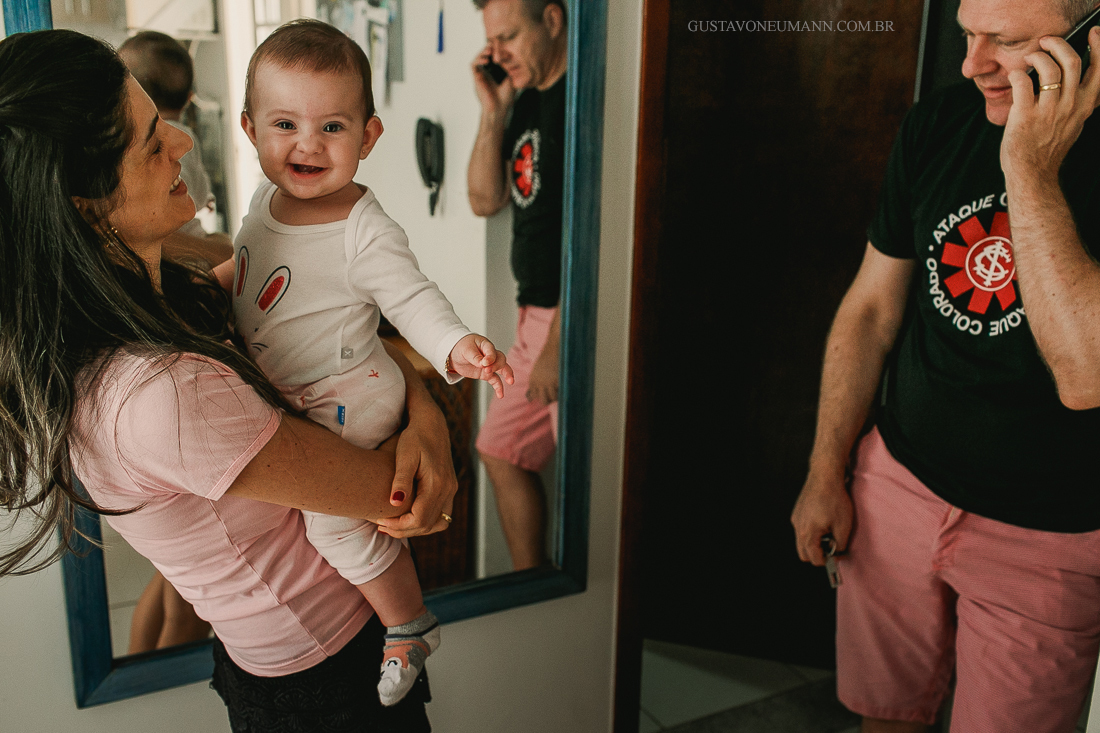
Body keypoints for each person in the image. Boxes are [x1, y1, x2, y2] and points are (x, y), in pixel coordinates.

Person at [0, 28, 457, 731]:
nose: (182, 144)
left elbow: (329, 335)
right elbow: (389, 492)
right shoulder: (157, 396)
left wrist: (423, 410)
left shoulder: (163, 300)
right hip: (324, 682)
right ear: (84, 205)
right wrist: (429, 424)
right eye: (152, 141)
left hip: (314, 651)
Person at [790, 0, 1100, 730]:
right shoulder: (940, 122)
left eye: (1007, 41)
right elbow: (870, 310)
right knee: (884, 716)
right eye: (968, 33)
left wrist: (1027, 166)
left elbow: (1086, 373)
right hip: (896, 489)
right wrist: (825, 467)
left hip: (1048, 536)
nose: (971, 63)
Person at [220, 19, 514, 706]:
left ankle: (407, 621)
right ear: (249, 127)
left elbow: (411, 298)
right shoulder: (265, 201)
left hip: (349, 390)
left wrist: (454, 344)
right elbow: (250, 272)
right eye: (285, 123)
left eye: (332, 128)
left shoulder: (363, 227)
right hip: (298, 387)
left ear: (369, 137)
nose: (306, 145)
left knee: (332, 515)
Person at [467, 0, 567, 571]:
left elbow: (598, 231)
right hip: (534, 314)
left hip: (569, 312)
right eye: (492, 41)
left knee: (588, 466)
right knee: (500, 449)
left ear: (551, 20)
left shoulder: (581, 102)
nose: (497, 52)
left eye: (509, 36)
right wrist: (493, 110)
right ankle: (537, 586)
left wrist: (560, 339)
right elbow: (485, 200)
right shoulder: (525, 102)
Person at [118, 30, 233, 267]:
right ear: (188, 97)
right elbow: (199, 197)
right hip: (196, 246)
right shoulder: (185, 136)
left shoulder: (133, 142)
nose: (180, 145)